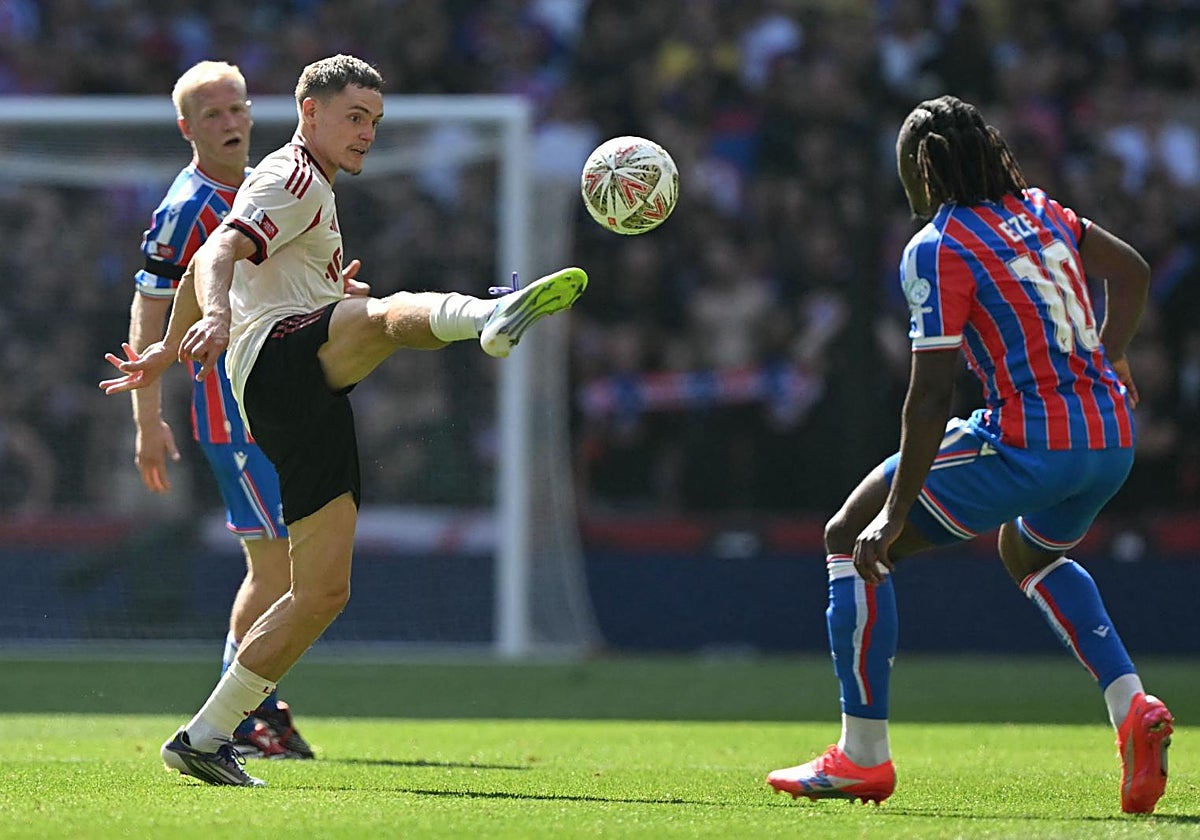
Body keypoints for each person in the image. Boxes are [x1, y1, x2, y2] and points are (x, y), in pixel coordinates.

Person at [101, 53, 587, 787]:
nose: (367, 134)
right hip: (273, 364)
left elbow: (214, 258)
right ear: (309, 114)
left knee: (321, 592)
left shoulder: (308, 187)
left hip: (296, 392)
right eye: (354, 118)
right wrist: (224, 318)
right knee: (383, 318)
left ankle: (205, 736)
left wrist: (172, 348)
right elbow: (219, 252)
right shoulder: (290, 175)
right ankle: (491, 312)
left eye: (375, 122)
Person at [765, 95, 1172, 814]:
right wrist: (1108, 359)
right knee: (1032, 554)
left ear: (920, 171)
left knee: (848, 538)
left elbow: (929, 398)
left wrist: (893, 516)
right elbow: (1134, 270)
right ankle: (1131, 705)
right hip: (1109, 437)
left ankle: (861, 757)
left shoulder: (938, 247)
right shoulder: (1045, 212)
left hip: (1029, 440)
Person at [126, 60, 313, 760]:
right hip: (230, 412)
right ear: (187, 129)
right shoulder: (186, 208)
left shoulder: (271, 184)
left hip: (284, 399)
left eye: (237, 108)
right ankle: (234, 717)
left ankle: (257, 707)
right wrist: (147, 420)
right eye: (214, 116)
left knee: (296, 567)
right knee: (275, 571)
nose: (232, 123)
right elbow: (149, 311)